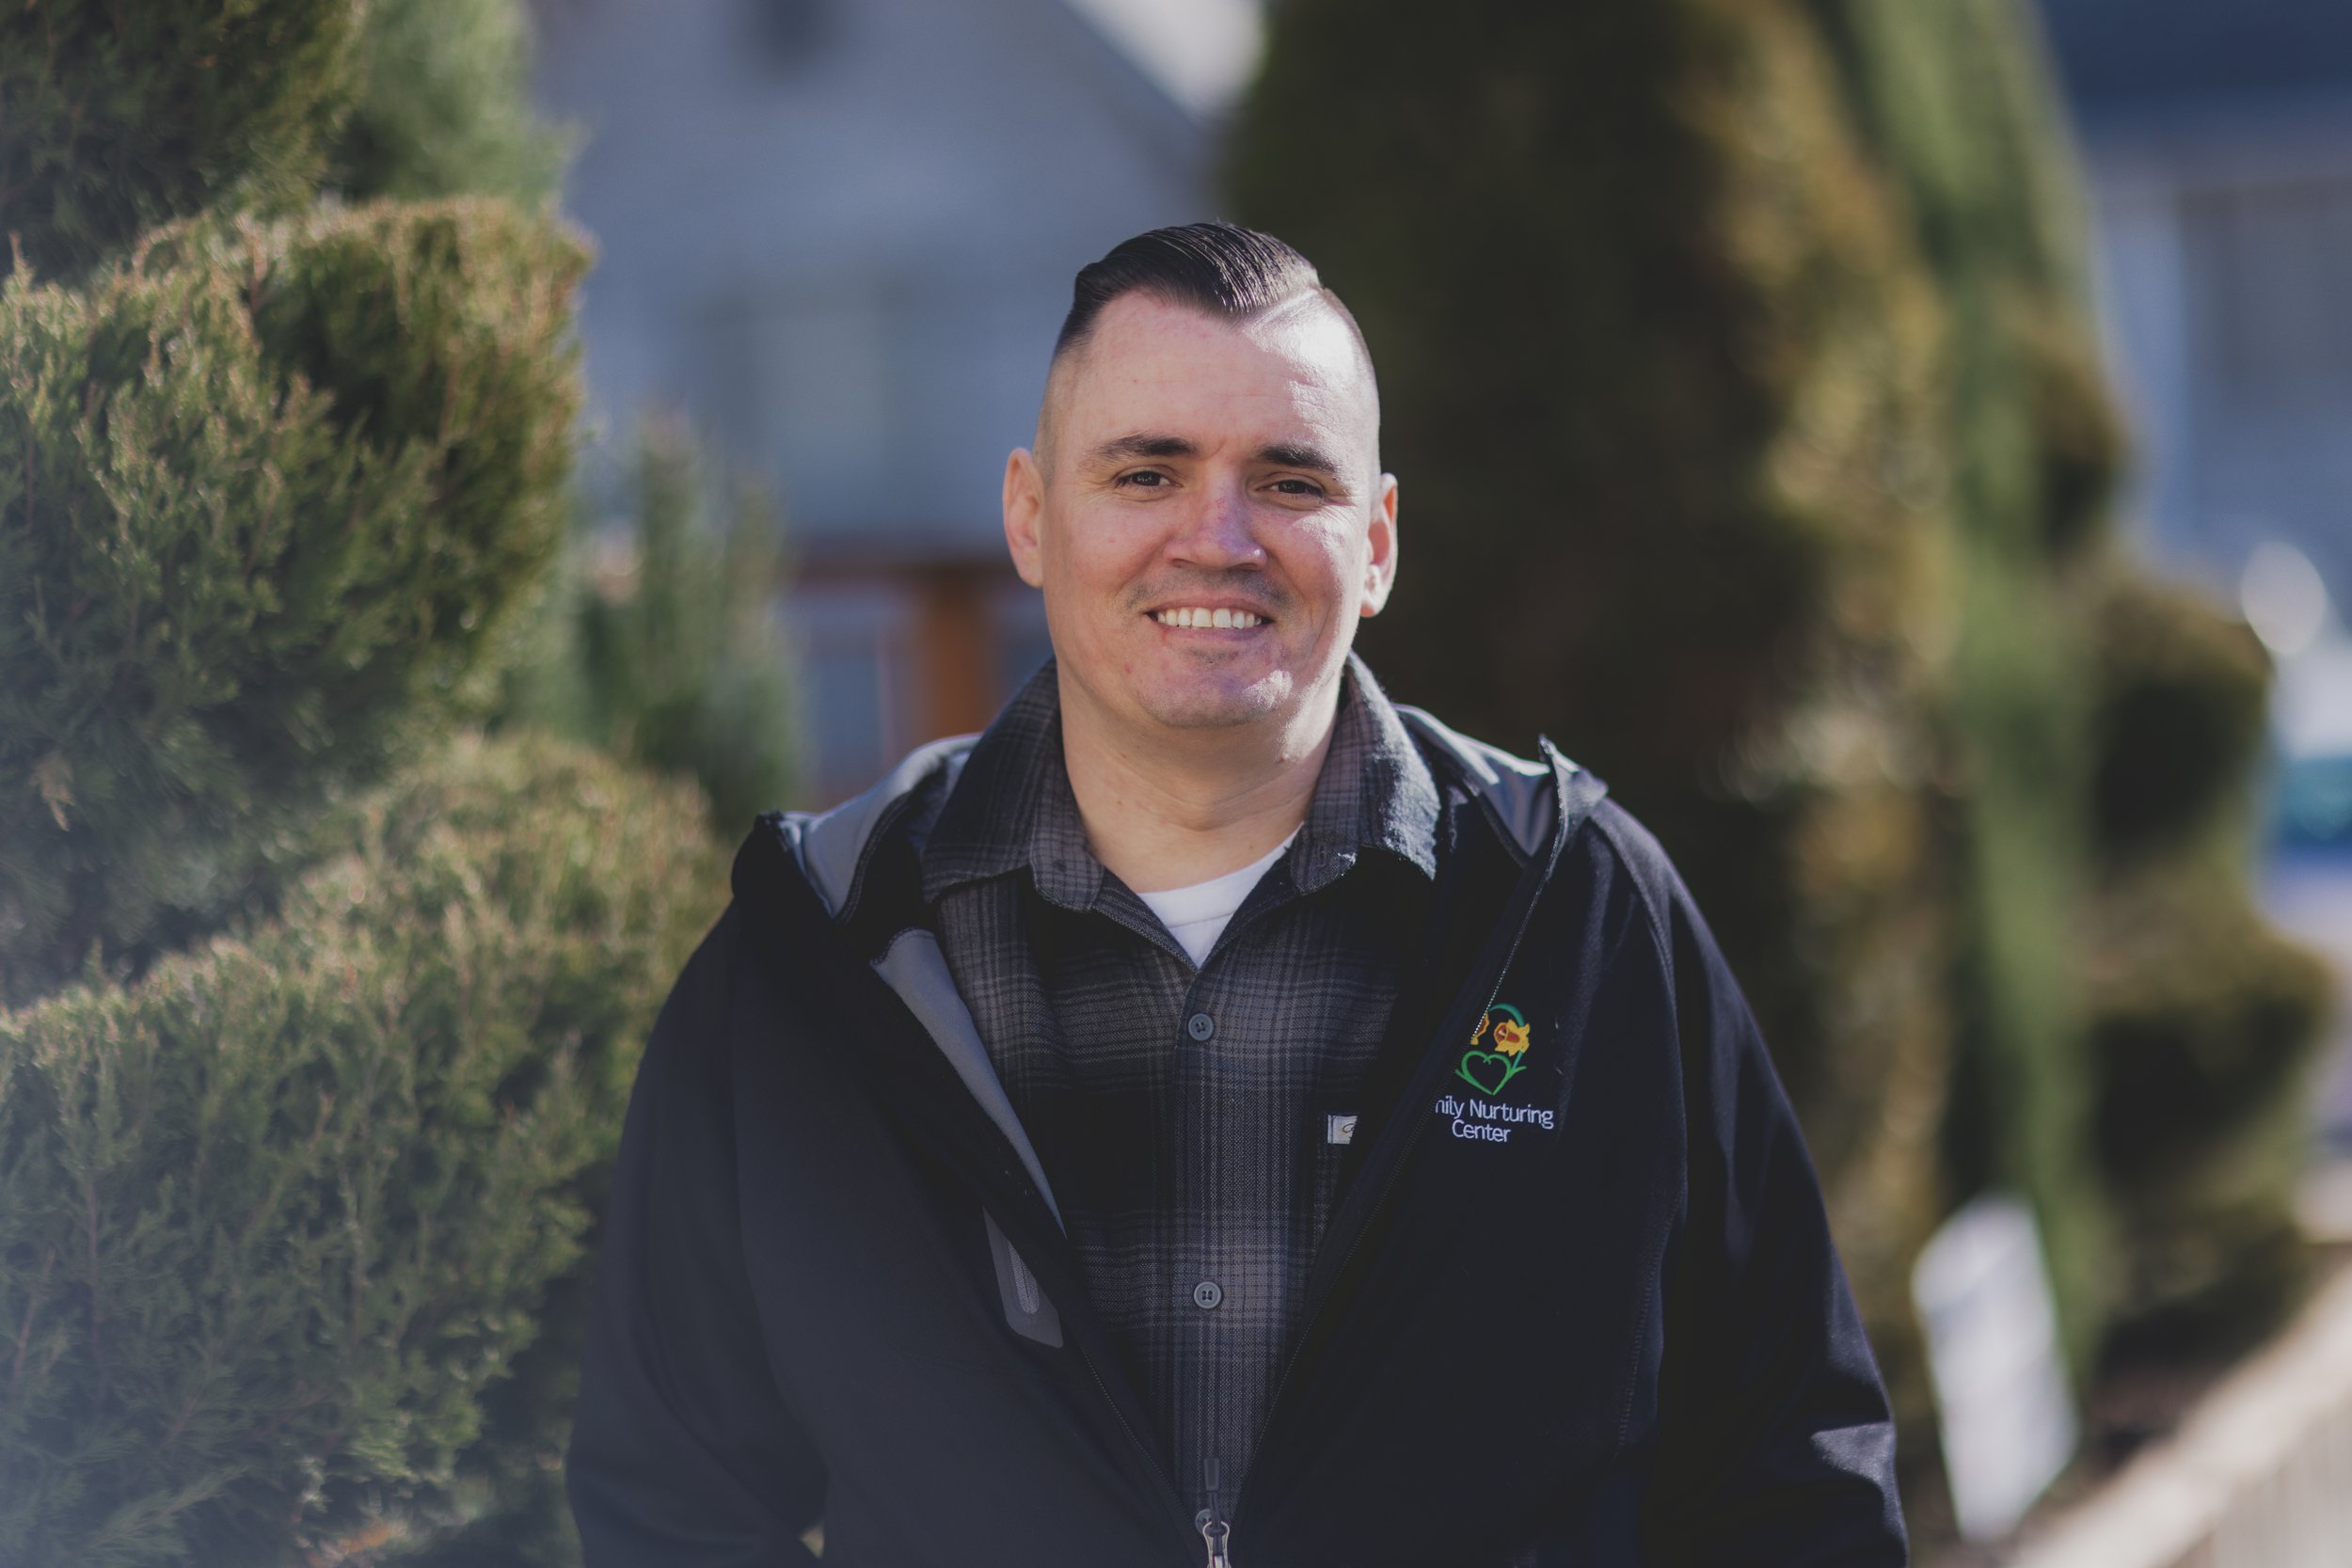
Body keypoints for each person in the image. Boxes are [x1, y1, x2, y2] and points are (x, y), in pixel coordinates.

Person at [565, 223, 1909, 1566]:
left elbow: (1792, 1472)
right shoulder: (824, 952)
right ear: (1032, 517)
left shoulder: (1581, 916)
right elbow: (669, 1500)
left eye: (1289, 480)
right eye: (1146, 472)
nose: (1216, 539)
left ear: (1376, 543)